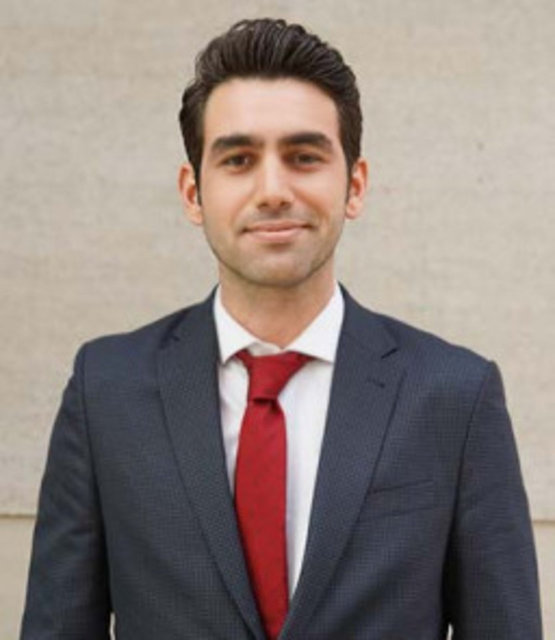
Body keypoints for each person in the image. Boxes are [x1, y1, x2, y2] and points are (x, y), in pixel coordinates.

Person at [20, 18, 542, 640]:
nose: (272, 190)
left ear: (354, 185)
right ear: (193, 193)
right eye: (238, 160)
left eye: (304, 157)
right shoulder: (105, 390)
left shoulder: (455, 396)